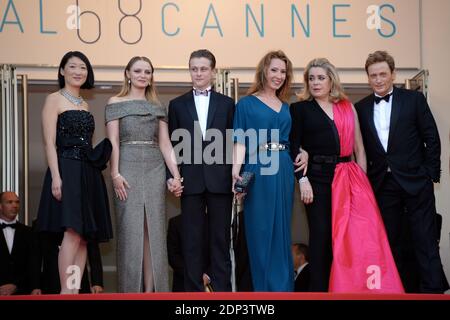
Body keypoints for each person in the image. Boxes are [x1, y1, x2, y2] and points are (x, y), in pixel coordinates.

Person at [290, 57, 403, 293]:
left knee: (350, 239)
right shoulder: (299, 109)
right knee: (321, 240)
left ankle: (348, 290)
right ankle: (321, 292)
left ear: (331, 80)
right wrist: (303, 180)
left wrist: (361, 185)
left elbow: (359, 149)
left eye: (321, 78)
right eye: (311, 78)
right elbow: (295, 148)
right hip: (317, 181)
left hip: (348, 178)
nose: (315, 83)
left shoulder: (347, 107)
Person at [355, 51, 449, 293]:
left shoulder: (414, 100)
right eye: (373, 75)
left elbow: (432, 137)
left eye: (383, 74)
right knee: (390, 243)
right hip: (383, 185)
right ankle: (397, 291)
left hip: (417, 182)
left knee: (425, 240)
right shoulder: (361, 108)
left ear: (393, 74)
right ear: (368, 78)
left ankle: (433, 293)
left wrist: (431, 173)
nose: (378, 79)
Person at [36, 51, 113, 294]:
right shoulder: (53, 99)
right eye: (73, 67)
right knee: (71, 232)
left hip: (87, 172)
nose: (79, 71)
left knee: (82, 237)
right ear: (62, 71)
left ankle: (75, 290)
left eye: (83, 67)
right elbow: (49, 142)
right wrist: (56, 177)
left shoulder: (85, 104)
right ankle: (65, 292)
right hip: (66, 169)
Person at [105, 56, 181, 293]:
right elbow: (113, 142)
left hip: (154, 166)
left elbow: (166, 144)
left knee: (153, 230)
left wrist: (176, 175)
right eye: (137, 70)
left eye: (147, 71)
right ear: (127, 73)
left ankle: (151, 290)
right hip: (126, 164)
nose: (142, 75)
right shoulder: (115, 101)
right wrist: (115, 173)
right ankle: (131, 291)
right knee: (131, 229)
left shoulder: (157, 105)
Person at [167, 49, 234, 292]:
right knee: (191, 244)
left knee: (220, 242)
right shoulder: (176, 105)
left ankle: (224, 296)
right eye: (194, 68)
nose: (198, 73)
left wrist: (236, 176)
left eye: (203, 68)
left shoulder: (228, 104)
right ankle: (193, 299)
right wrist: (170, 178)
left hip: (221, 181)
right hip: (190, 182)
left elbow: (233, 143)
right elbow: (171, 147)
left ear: (213, 72)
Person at [232, 50, 299, 292]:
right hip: (257, 167)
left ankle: (283, 292)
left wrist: (304, 154)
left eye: (283, 72)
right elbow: (239, 141)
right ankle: (263, 293)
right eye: (274, 70)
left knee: (281, 232)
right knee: (259, 232)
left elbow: (294, 142)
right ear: (264, 71)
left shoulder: (287, 107)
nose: (279, 75)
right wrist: (236, 174)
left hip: (283, 168)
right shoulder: (246, 104)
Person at [30, 219, 104, 295]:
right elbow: (36, 256)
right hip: (51, 282)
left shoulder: (82, 218)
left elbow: (93, 251)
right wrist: (35, 286)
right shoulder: (41, 221)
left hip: (79, 280)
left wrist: (96, 282)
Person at [0, 191, 33, 295]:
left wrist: (16, 286)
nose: (15, 205)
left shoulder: (29, 232)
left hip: (22, 292)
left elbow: (32, 264)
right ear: (0, 206)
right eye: (9, 202)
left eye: (17, 202)